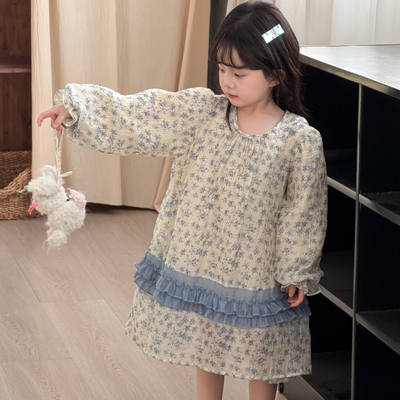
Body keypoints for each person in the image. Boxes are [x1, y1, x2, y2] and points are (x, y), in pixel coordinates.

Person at [37, 1, 327, 399]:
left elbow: (304, 212)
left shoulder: (299, 140)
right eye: (222, 69)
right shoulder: (202, 115)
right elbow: (141, 113)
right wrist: (77, 109)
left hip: (257, 270)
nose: (227, 81)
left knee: (261, 353)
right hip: (201, 260)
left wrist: (296, 269)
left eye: (239, 73)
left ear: (275, 74)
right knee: (207, 342)